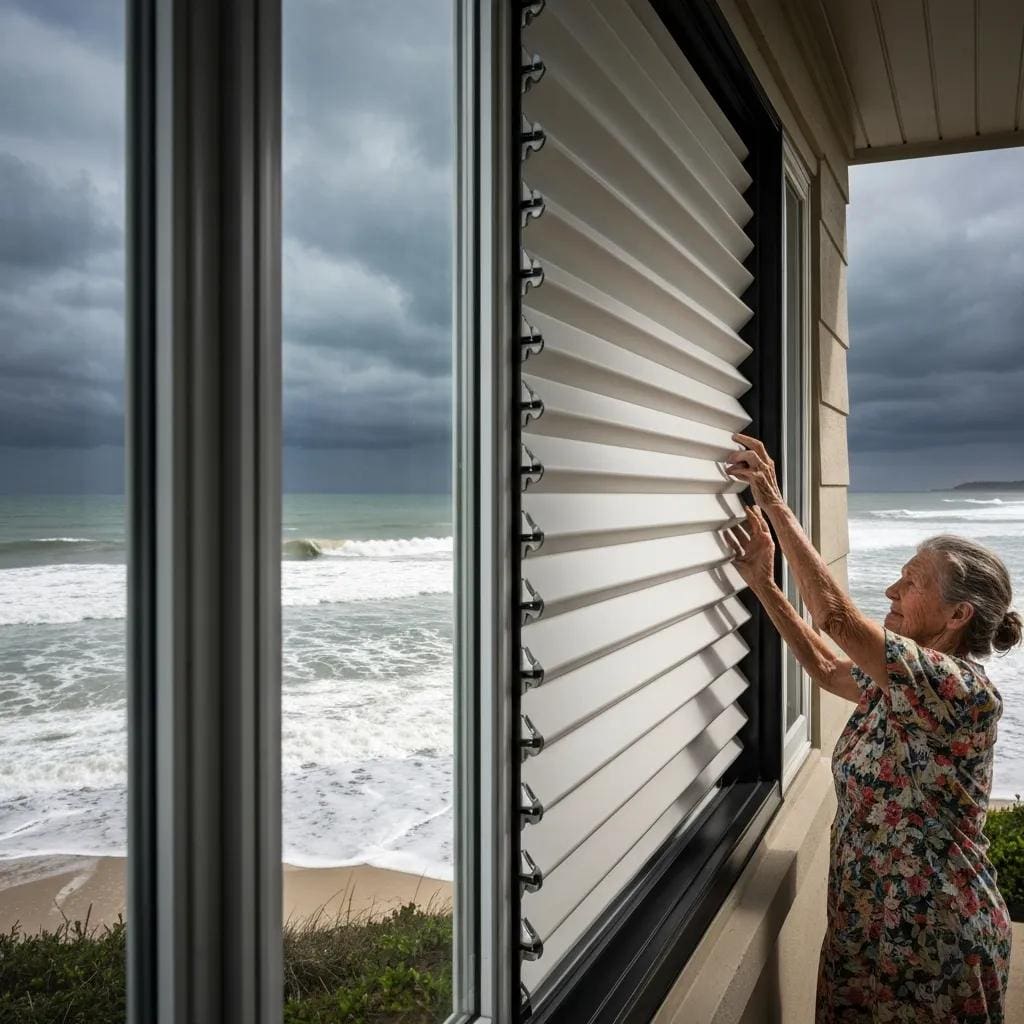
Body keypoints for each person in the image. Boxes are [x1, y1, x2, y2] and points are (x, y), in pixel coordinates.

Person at [723, 432, 1022, 1024]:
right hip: (867, 933)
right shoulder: (900, 686)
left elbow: (836, 619)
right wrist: (763, 582)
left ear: (958, 615)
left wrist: (774, 501)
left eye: (911, 582)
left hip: (935, 944)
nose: (891, 589)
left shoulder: (956, 690)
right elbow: (827, 664)